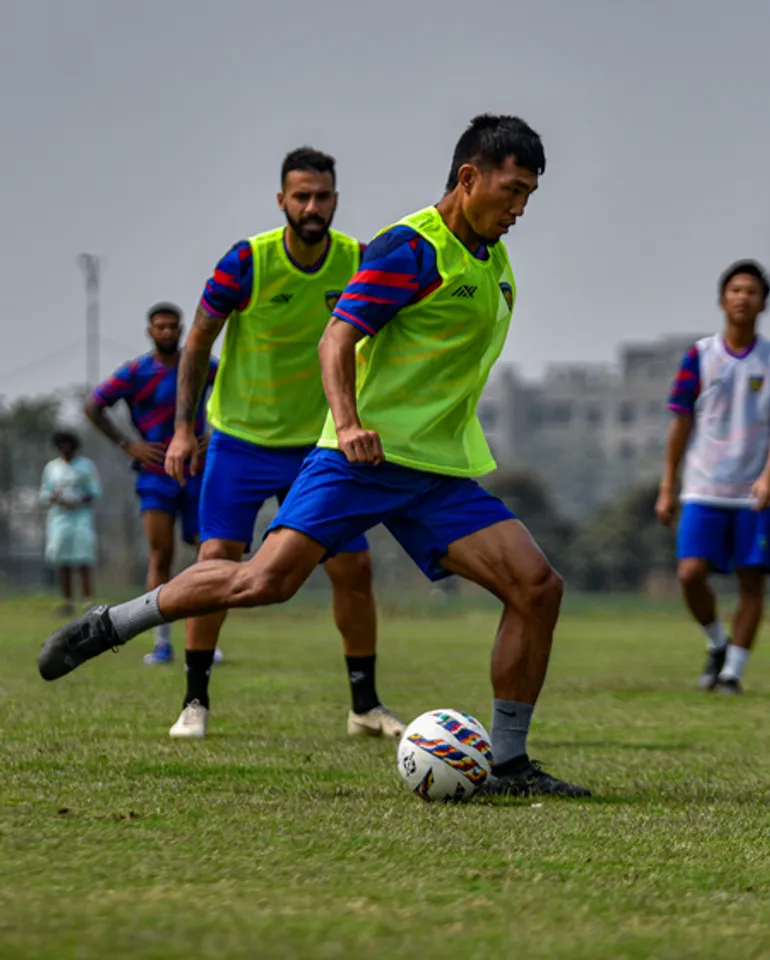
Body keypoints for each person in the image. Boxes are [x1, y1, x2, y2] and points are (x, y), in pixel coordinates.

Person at [38, 115, 590, 798]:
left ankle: (508, 765)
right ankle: (111, 624)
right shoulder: (409, 249)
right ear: (469, 177)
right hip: (359, 462)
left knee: (537, 588)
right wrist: (351, 423)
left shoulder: (493, 261)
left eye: (530, 195)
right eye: (511, 191)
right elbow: (337, 339)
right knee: (259, 582)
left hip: (437, 474)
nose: (520, 209)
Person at [127, 147, 402, 740]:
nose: (312, 207)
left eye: (322, 196)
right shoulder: (247, 260)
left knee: (354, 568)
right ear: (281, 201)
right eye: (300, 196)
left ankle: (364, 705)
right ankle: (194, 701)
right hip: (241, 442)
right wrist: (182, 430)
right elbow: (198, 342)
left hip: (320, 449)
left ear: (335, 200)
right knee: (216, 562)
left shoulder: (358, 260)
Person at [656, 260, 770, 695]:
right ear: (723, 299)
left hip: (754, 494)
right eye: (736, 290)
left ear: (762, 303)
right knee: (690, 573)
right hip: (703, 488)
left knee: (751, 580)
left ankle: (732, 674)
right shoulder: (700, 356)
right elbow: (680, 423)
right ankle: (717, 642)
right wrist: (668, 485)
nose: (743, 297)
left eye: (752, 291)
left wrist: (767, 478)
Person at [84, 302, 219, 665]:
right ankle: (161, 641)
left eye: (173, 326)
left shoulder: (200, 365)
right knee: (161, 554)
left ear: (181, 328)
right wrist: (128, 444)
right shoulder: (135, 373)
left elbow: (236, 389)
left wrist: (217, 433)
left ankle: (204, 638)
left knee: (207, 553)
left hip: (195, 470)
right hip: (156, 475)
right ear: (150, 331)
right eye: (159, 327)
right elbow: (93, 405)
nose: (167, 332)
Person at [39, 430, 101, 614]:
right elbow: (44, 494)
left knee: (84, 558)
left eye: (68, 446)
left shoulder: (86, 466)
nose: (64, 449)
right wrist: (55, 498)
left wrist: (78, 501)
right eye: (61, 446)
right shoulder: (52, 468)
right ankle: (67, 602)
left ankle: (88, 601)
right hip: (59, 519)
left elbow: (95, 491)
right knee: (62, 560)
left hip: (81, 517)